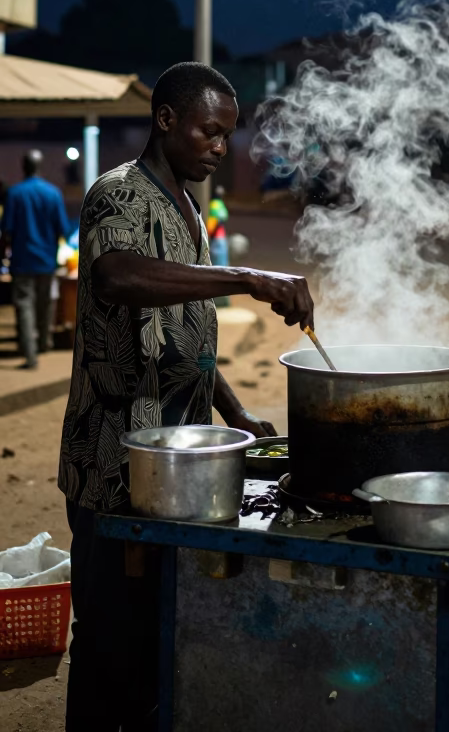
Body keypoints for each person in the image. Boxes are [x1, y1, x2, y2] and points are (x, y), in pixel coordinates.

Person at [58, 61, 314, 732]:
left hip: (177, 466)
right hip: (113, 464)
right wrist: (248, 276)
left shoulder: (190, 209)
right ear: (166, 119)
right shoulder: (116, 194)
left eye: (227, 136)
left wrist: (234, 411)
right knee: (107, 640)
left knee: (158, 636)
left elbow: (183, 338)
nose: (219, 148)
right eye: (209, 132)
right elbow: (115, 278)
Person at [1, 149, 71, 369]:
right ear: (39, 166)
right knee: (45, 304)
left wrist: (4, 254)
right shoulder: (53, 193)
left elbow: (7, 231)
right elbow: (63, 228)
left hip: (22, 261)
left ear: (24, 166)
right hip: (46, 261)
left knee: (24, 305)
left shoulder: (14, 194)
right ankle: (43, 343)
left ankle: (29, 353)